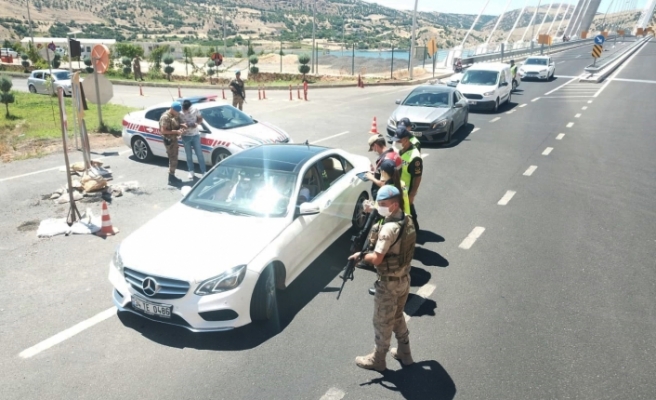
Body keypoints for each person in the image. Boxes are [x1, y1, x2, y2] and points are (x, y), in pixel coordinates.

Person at [349, 185, 417, 371]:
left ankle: (378, 359)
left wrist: (360, 257)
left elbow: (378, 259)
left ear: (394, 205)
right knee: (397, 317)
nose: (380, 206)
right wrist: (373, 209)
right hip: (404, 280)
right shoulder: (406, 220)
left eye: (383, 204)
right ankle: (405, 352)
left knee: (382, 322)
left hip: (388, 286)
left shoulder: (388, 230)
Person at [392, 126, 422, 231]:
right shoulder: (400, 150)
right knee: (405, 209)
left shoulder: (415, 156)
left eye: (398, 141)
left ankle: (414, 230)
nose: (396, 143)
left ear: (405, 139)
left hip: (407, 189)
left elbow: (417, 177)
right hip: (399, 186)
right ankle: (412, 228)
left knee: (408, 210)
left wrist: (412, 194)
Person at [159, 101, 187, 184]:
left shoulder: (175, 114)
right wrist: (176, 132)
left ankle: (172, 176)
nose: (177, 113)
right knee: (173, 159)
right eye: (176, 111)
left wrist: (182, 126)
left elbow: (177, 123)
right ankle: (171, 178)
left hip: (174, 139)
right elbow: (163, 131)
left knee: (174, 158)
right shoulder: (165, 117)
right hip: (169, 140)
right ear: (172, 109)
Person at [180, 99, 207, 180]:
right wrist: (183, 125)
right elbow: (176, 122)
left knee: (199, 154)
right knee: (188, 155)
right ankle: (191, 171)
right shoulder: (179, 112)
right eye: (184, 108)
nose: (185, 110)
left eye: (186, 108)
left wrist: (197, 123)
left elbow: (200, 118)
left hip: (195, 135)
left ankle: (204, 172)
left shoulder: (195, 110)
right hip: (185, 135)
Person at [368, 134, 395, 200]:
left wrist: (371, 177)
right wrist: (375, 170)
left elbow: (383, 184)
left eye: (373, 148)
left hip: (384, 196)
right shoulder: (393, 154)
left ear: (375, 146)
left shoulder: (385, 160)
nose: (374, 151)